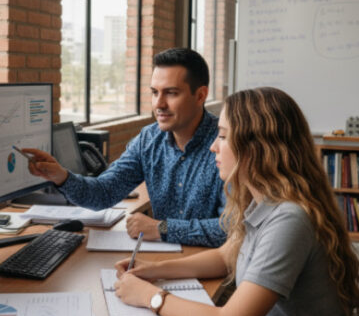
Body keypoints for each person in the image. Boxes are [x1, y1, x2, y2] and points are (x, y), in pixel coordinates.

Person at [112, 86, 359, 316]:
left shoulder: (289, 219)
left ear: (256, 147)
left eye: (222, 136)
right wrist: (152, 271)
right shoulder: (263, 200)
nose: (212, 148)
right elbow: (226, 256)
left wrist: (149, 297)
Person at [24, 48, 226, 247]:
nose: (159, 104)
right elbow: (103, 193)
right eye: (154, 92)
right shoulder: (149, 139)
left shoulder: (228, 143)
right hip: (165, 262)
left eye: (171, 93)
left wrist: (162, 228)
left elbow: (231, 229)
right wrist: (61, 177)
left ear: (200, 96)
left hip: (215, 269)